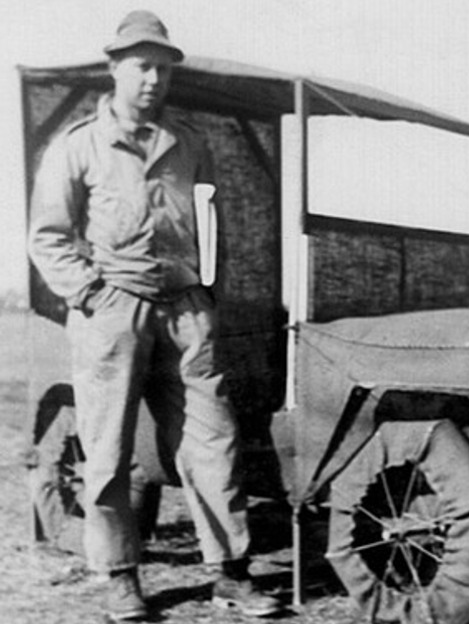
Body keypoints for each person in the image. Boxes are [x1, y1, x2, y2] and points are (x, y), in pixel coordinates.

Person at [28, 10, 280, 622]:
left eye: (163, 69)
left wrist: (205, 293)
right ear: (114, 69)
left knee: (213, 441)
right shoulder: (79, 144)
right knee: (109, 450)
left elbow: (213, 224)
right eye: (142, 66)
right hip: (112, 311)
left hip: (185, 313)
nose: (153, 80)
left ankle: (229, 573)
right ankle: (120, 577)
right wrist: (91, 295)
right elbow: (48, 237)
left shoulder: (189, 144)